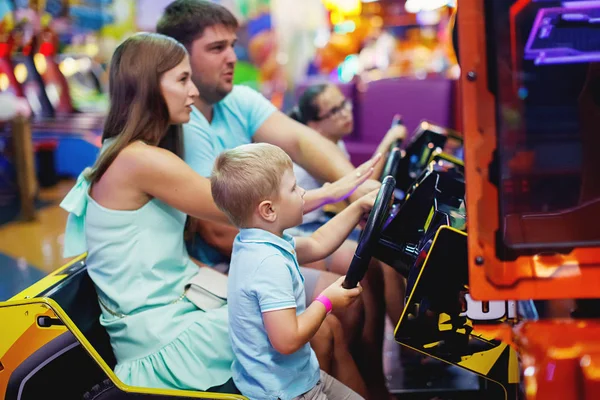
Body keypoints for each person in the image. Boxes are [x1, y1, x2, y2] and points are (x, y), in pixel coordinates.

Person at [60, 32, 371, 395]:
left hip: (184, 302)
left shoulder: (140, 150)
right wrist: (339, 190)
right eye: (182, 79)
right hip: (161, 334)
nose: (193, 91)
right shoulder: (138, 159)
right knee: (319, 330)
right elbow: (239, 205)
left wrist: (347, 194)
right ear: (146, 87)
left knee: (324, 329)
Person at [156, 3, 393, 397]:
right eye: (216, 48)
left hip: (268, 236)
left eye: (232, 45)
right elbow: (218, 232)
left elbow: (302, 140)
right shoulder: (182, 125)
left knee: (366, 267)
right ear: (180, 55)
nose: (232, 56)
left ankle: (374, 382)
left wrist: (353, 187)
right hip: (229, 257)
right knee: (336, 310)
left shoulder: (237, 99)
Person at [212, 142, 374, 400]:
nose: (302, 193)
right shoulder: (267, 263)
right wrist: (327, 301)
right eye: (293, 188)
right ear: (268, 210)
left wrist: (357, 208)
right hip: (284, 392)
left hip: (297, 376)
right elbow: (287, 340)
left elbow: (318, 243)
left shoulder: (257, 241)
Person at [289, 83, 407, 325]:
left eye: (343, 104)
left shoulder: (335, 142)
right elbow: (357, 192)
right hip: (301, 229)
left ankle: (408, 343)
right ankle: (407, 348)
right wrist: (388, 141)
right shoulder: (318, 152)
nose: (345, 113)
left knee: (391, 250)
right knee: (384, 258)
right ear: (314, 126)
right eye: (334, 111)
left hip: (320, 219)